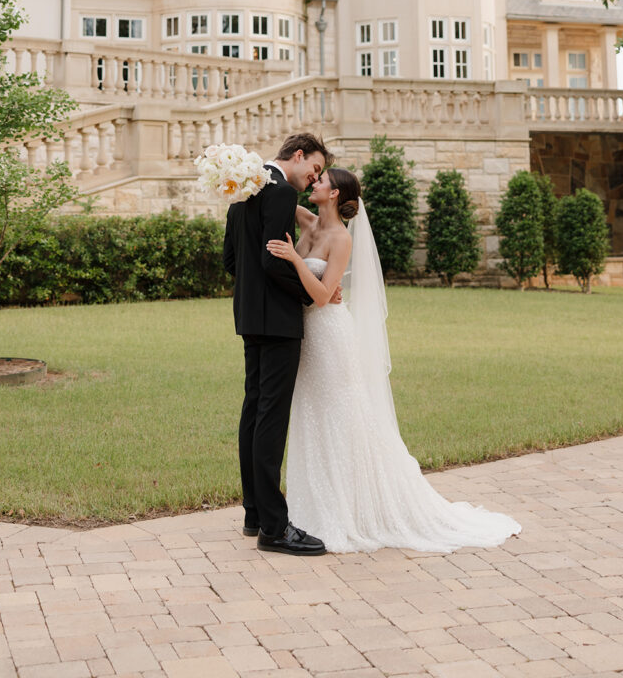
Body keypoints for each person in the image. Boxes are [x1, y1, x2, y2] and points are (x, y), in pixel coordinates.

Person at [266, 167, 522, 554]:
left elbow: (322, 295)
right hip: (307, 338)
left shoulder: (340, 239)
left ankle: (354, 509)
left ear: (334, 194)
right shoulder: (309, 221)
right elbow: (278, 198)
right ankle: (314, 508)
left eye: (320, 181)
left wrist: (296, 260)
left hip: (330, 336)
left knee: (341, 417)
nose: (312, 183)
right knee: (312, 416)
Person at [222, 132, 336, 556]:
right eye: (315, 168)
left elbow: (231, 261)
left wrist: (256, 290)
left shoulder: (244, 186)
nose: (313, 178)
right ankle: (274, 527)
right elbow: (274, 258)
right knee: (271, 418)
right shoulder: (281, 191)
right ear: (299, 155)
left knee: (254, 411)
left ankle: (254, 513)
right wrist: (312, 291)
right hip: (279, 321)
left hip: (250, 316)